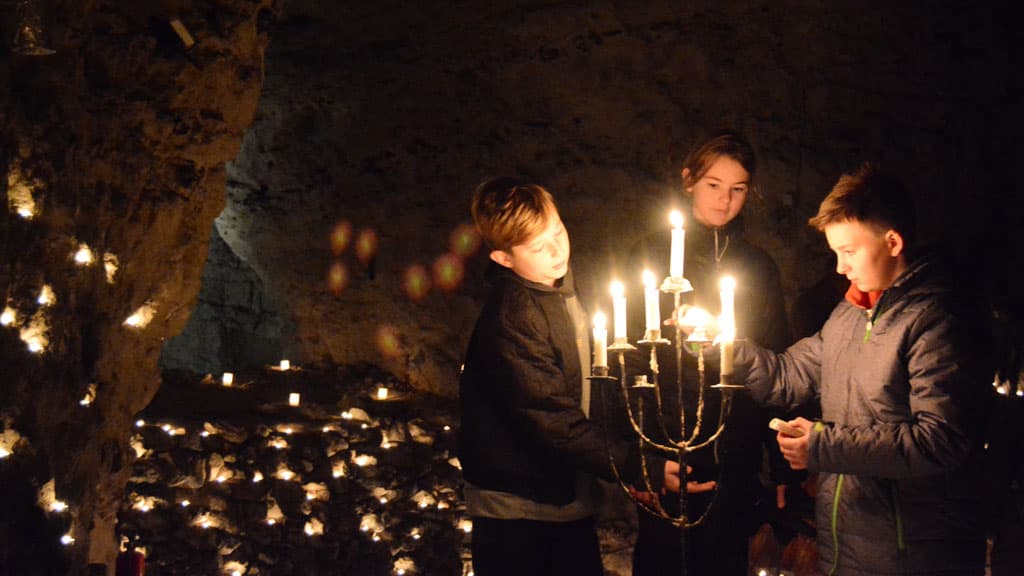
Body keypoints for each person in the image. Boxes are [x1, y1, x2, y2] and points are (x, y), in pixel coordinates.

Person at [733, 163, 990, 575]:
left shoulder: (936, 320)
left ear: (892, 242)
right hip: (846, 550)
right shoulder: (850, 316)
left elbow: (939, 439)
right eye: (835, 252)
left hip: (912, 557)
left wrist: (822, 446)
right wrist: (727, 350)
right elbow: (788, 376)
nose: (839, 268)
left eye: (849, 251)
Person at [457, 176, 679, 576]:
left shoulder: (567, 290)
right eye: (539, 247)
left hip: (564, 498)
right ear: (504, 259)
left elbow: (594, 389)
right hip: (518, 512)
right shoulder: (514, 315)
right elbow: (551, 418)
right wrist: (638, 465)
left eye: (558, 231)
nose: (557, 250)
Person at [628, 130, 801, 576]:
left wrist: (781, 466)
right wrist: (639, 462)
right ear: (688, 181)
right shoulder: (648, 257)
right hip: (667, 447)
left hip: (734, 450)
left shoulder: (758, 268)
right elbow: (625, 360)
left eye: (738, 189)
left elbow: (775, 368)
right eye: (713, 185)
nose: (725, 201)